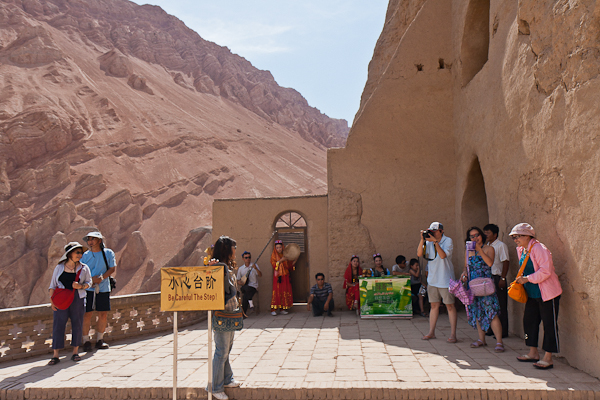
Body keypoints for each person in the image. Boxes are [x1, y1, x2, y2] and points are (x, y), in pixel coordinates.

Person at [510, 223, 562, 370]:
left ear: (528, 236)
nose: (515, 240)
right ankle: (533, 351)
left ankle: (548, 356)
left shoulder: (539, 248)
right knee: (529, 322)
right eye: (514, 237)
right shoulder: (522, 249)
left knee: (549, 324)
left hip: (547, 293)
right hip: (532, 293)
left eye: (518, 236)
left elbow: (546, 271)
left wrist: (527, 279)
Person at [206, 236, 241, 400]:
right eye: (234, 247)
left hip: (231, 313)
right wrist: (210, 269)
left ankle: (227, 379)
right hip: (221, 314)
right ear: (227, 249)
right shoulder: (218, 267)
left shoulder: (226, 267)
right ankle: (215, 387)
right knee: (221, 351)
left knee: (226, 350)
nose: (236, 251)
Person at [460, 227, 504, 352]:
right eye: (472, 236)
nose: (475, 238)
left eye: (477, 235)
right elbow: (465, 266)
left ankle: (499, 342)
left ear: (482, 236)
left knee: (492, 313)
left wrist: (479, 249)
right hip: (473, 286)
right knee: (477, 312)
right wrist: (464, 274)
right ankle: (481, 339)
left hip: (486, 286)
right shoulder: (467, 251)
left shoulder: (489, 248)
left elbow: (490, 263)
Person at [48, 242, 93, 365]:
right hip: (61, 300)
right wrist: (52, 301)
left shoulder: (84, 268)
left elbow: (90, 283)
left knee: (77, 324)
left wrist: (81, 286)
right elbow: (52, 285)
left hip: (77, 299)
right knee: (58, 325)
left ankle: (75, 352)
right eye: (77, 252)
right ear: (69, 254)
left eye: (80, 252)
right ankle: (55, 355)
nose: (80, 255)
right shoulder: (59, 267)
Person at [417, 222, 458, 343]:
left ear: (441, 231)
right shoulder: (428, 242)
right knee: (434, 306)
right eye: (431, 231)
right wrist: (422, 240)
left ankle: (453, 334)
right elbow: (419, 254)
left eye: (435, 231)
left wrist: (435, 242)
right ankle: (431, 332)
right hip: (433, 279)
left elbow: (442, 255)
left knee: (450, 306)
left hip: (445, 279)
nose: (433, 233)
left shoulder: (448, 241)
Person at [81, 231, 116, 352]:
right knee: (87, 314)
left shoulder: (108, 253)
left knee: (103, 314)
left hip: (104, 288)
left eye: (92, 239)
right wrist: (91, 280)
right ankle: (85, 341)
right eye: (88, 239)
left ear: (99, 241)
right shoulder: (85, 256)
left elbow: (112, 268)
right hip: (88, 289)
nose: (90, 241)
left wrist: (101, 278)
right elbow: (81, 272)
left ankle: (100, 339)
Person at [483, 223, 510, 338]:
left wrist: (503, 278)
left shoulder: (500, 246)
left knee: (501, 305)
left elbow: (506, 261)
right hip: (488, 278)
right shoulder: (487, 246)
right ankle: (491, 329)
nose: (486, 235)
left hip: (497, 277)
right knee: (490, 304)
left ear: (495, 234)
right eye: (484, 233)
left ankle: (503, 331)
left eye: (488, 233)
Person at [270, 240, 295, 315]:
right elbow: (274, 265)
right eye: (277, 247)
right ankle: (273, 309)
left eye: (280, 247)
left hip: (286, 275)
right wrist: (281, 261)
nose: (279, 249)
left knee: (284, 291)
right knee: (277, 291)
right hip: (278, 277)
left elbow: (289, 266)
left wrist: (294, 261)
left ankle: (282, 309)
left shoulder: (285, 255)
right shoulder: (273, 255)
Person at [236, 251, 262, 316]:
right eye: (246, 257)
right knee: (246, 288)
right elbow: (237, 280)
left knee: (245, 296)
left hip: (253, 287)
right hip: (244, 287)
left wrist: (256, 268)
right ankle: (251, 305)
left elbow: (260, 275)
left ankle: (243, 313)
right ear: (243, 259)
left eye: (249, 257)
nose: (248, 259)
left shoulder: (254, 266)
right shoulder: (241, 269)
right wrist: (241, 282)